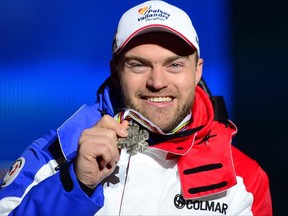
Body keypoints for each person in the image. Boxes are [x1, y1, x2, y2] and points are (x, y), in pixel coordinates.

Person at [0, 0, 272, 215]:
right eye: (138, 65)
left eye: (174, 64)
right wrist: (75, 186)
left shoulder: (244, 178)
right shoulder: (60, 151)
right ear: (116, 71)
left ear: (197, 71)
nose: (157, 82)